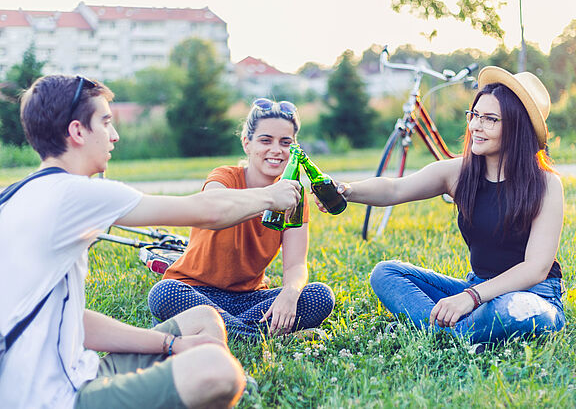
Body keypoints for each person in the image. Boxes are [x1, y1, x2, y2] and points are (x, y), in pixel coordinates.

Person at [0, 76, 302, 409]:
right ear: (77, 132)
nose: (114, 135)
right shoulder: (75, 193)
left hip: (81, 371)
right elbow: (207, 211)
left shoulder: (16, 195)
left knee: (204, 319)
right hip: (54, 398)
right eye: (105, 123)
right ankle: (226, 384)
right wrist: (271, 196)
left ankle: (228, 388)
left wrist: (170, 345)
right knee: (217, 371)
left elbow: (74, 321)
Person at [326, 66, 565, 344]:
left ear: (516, 127)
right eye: (474, 115)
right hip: (477, 288)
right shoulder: (459, 173)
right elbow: (394, 188)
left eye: (490, 119)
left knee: (514, 310)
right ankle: (457, 333)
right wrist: (346, 191)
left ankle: (444, 333)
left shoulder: (546, 184)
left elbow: (535, 268)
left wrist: (470, 298)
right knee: (386, 273)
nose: (476, 126)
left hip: (532, 294)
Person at [148, 98, 335, 338]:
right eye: (265, 140)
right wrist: (269, 198)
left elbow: (296, 264)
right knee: (163, 292)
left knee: (320, 295)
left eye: (285, 142)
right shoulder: (224, 176)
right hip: (194, 292)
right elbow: (214, 207)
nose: (276, 150)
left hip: (249, 298)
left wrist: (289, 293)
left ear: (295, 148)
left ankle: (227, 333)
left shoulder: (294, 197)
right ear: (247, 143)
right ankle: (260, 337)